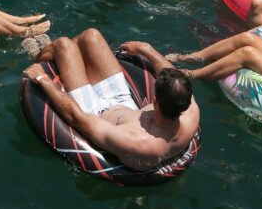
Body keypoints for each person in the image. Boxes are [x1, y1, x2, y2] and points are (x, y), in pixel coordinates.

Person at [22, 28, 200, 172]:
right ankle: (57, 55)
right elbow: (172, 75)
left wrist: (42, 79)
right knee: (91, 36)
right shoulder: (190, 113)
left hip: (93, 111)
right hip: (123, 102)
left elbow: (76, 118)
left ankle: (38, 56)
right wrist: (146, 49)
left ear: (155, 101)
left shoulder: (136, 141)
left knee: (64, 45)